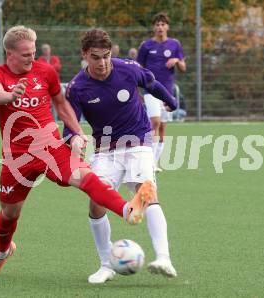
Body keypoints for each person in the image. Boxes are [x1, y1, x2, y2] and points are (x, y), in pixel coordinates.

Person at [0, 26, 155, 276]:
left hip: (50, 147)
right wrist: (10, 95)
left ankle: (127, 210)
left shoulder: (45, 71)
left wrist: (77, 132)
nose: (33, 58)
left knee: (85, 177)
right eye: (26, 54)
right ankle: (2, 252)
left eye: (33, 52)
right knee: (9, 213)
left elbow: (62, 106)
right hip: (16, 157)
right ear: (9, 53)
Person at [63, 28, 178, 284]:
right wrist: (75, 139)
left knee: (145, 190)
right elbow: (69, 126)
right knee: (96, 202)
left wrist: (171, 101)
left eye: (106, 56)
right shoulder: (77, 88)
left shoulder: (128, 68)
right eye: (96, 57)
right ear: (84, 55)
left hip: (138, 141)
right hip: (105, 150)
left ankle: (163, 258)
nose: (102, 62)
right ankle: (106, 265)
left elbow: (152, 84)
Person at [137, 12, 186, 171]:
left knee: (163, 127)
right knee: (155, 122)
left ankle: (154, 163)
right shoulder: (146, 46)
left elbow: (184, 68)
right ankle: (148, 161)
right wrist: (138, 90)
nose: (160, 27)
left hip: (167, 91)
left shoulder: (175, 44)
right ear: (154, 27)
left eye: (163, 24)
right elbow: (138, 68)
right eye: (157, 24)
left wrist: (177, 61)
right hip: (151, 90)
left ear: (167, 27)